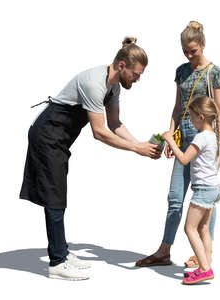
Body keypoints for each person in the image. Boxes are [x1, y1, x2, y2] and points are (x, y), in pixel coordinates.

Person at [19, 37, 161, 281]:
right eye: (136, 74)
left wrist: (140, 144)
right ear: (121, 66)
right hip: (47, 134)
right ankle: (57, 262)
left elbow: (115, 124)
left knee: (57, 192)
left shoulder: (114, 87)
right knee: (54, 195)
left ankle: (60, 250)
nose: (138, 79)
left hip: (60, 139)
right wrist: (135, 149)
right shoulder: (94, 83)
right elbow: (100, 132)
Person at [136, 21, 220, 268]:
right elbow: (177, 107)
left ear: (203, 44)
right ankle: (164, 250)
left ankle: (203, 255)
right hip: (184, 137)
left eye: (193, 50)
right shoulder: (181, 71)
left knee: (205, 197)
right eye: (185, 50)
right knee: (175, 197)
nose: (189, 55)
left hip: (205, 139)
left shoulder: (213, 72)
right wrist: (172, 135)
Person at [162, 95, 220, 284]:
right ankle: (207, 263)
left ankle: (204, 269)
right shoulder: (213, 136)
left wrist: (170, 140)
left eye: (192, 117)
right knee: (203, 228)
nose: (190, 120)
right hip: (213, 188)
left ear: (201, 117)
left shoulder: (201, 137)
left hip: (203, 190)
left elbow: (184, 159)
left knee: (190, 228)